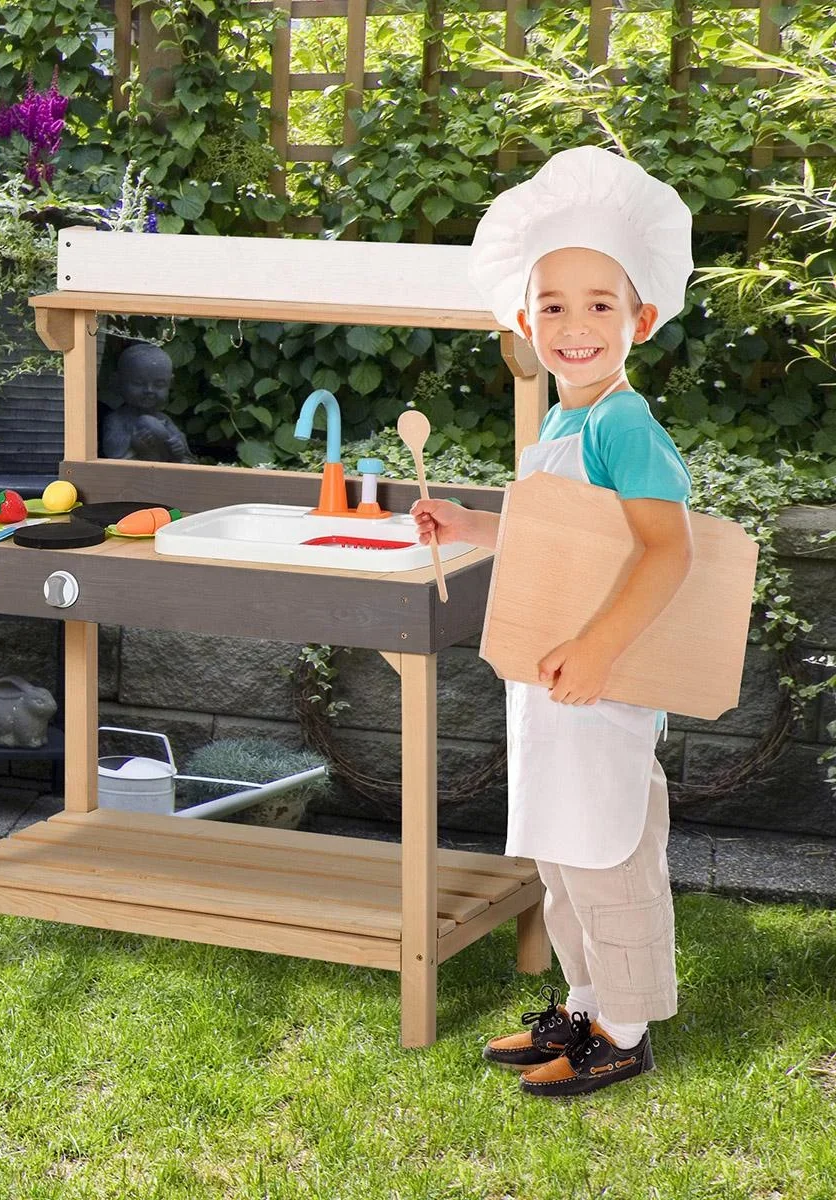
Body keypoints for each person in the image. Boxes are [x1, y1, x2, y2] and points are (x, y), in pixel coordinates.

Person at [411, 145, 696, 1098]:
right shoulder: (560, 430)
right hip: (548, 683)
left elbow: (668, 552)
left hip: (601, 688)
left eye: (599, 304)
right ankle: (582, 1003)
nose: (575, 325)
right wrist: (473, 523)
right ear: (525, 323)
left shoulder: (624, 424)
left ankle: (625, 1028)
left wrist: (601, 646)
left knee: (611, 856)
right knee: (565, 858)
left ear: (640, 319)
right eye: (554, 306)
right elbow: (556, 539)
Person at [101, 343, 196, 462]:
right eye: (138, 383)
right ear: (118, 382)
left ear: (170, 384)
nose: (149, 390)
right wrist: (134, 441)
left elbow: (182, 449)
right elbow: (112, 451)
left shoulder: (164, 419)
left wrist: (178, 447)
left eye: (159, 385)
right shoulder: (116, 419)